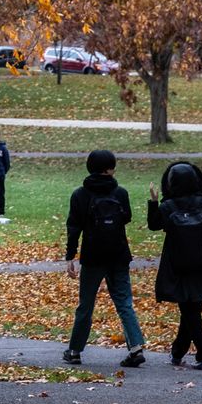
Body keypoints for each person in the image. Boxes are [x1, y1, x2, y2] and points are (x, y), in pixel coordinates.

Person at [62, 149, 147, 367]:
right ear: (109, 169)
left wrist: (71, 255)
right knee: (124, 302)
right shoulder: (120, 193)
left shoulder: (80, 194)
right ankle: (136, 347)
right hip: (118, 254)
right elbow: (126, 217)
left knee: (86, 304)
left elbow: (74, 226)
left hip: (92, 256)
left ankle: (74, 350)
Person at [147, 160, 202, 369]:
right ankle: (178, 351)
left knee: (190, 310)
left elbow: (154, 225)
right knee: (193, 308)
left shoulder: (168, 206)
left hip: (177, 264)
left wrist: (153, 202)